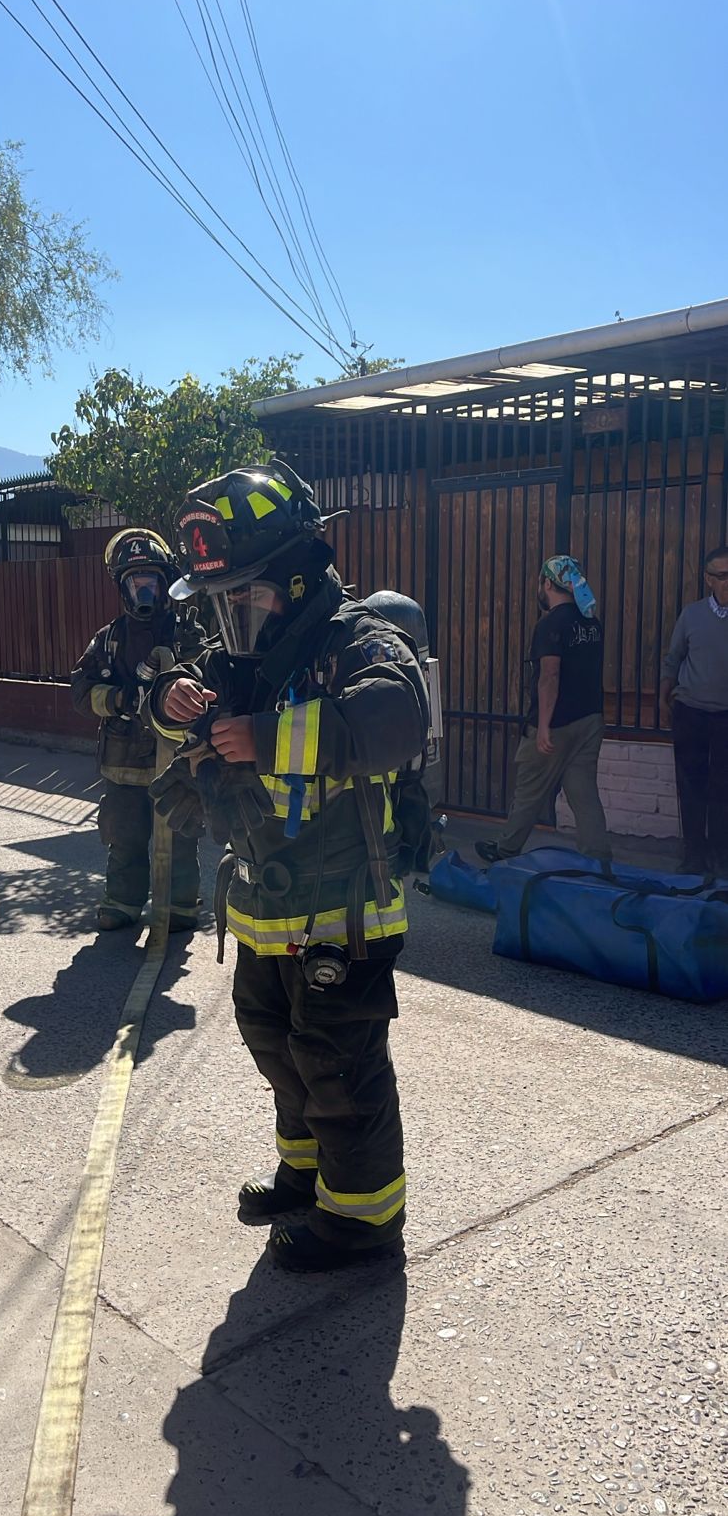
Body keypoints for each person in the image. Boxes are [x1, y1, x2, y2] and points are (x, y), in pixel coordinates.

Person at [147, 459, 431, 1273]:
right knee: (275, 1044)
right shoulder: (242, 651)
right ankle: (305, 1176)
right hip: (264, 907)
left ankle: (362, 1221)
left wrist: (269, 738)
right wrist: (168, 698)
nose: (233, 616)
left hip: (344, 908)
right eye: (221, 602)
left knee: (338, 1063)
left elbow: (395, 718)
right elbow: (183, 709)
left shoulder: (357, 642)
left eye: (246, 595)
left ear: (298, 577)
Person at [70, 527, 202, 932]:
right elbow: (81, 691)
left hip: (176, 762)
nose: (144, 591)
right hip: (123, 763)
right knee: (124, 837)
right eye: (136, 582)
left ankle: (179, 907)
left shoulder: (186, 635)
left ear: (165, 586)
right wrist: (122, 701)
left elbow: (209, 680)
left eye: (151, 582)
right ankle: (123, 902)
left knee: (179, 838)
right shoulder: (107, 640)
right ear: (123, 588)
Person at [475, 554, 611, 865]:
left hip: (557, 722)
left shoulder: (551, 624)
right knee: (583, 792)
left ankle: (507, 850)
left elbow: (550, 675)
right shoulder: (592, 622)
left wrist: (544, 726)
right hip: (590, 719)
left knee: (529, 788)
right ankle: (600, 859)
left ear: (547, 583)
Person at [659, 545, 728, 874]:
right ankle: (694, 853)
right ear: (708, 580)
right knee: (691, 784)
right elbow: (673, 657)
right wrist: (665, 693)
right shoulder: (692, 614)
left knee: (723, 786)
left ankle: (719, 853)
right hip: (691, 711)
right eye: (722, 576)